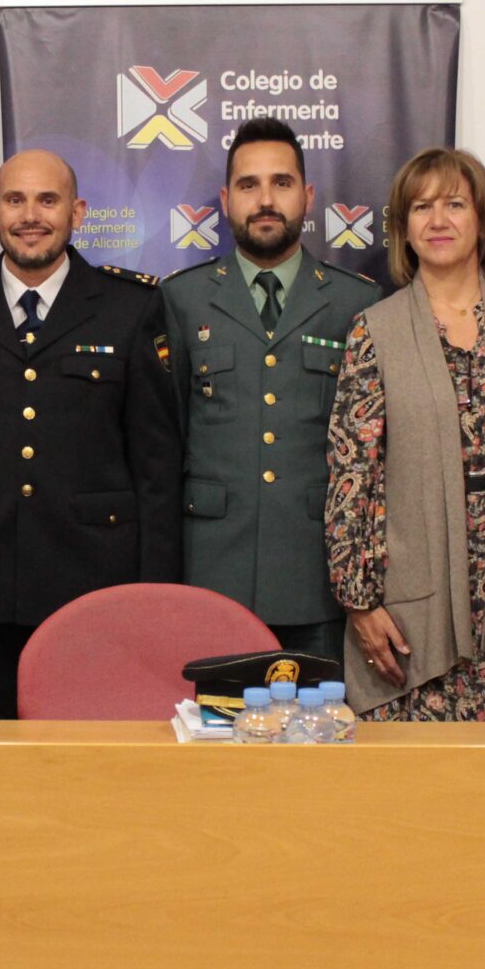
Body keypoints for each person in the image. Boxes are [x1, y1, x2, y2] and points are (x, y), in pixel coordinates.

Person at [0, 149, 182, 718]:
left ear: (77, 212)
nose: (30, 215)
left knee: (83, 756)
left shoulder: (130, 306)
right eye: (15, 200)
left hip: (91, 584)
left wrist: (152, 591)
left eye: (47, 200)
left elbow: (156, 466)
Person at [325, 148, 485, 721]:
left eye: (454, 204)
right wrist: (359, 603)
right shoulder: (375, 330)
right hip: (409, 625)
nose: (438, 220)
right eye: (421, 207)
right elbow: (352, 474)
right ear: (403, 228)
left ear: (482, 218)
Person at [162, 118, 381, 660]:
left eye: (281, 183)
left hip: (317, 577)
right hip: (212, 571)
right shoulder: (180, 300)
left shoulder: (358, 303)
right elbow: (164, 442)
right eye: (248, 185)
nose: (265, 200)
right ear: (225, 200)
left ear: (308, 196)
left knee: (322, 714)